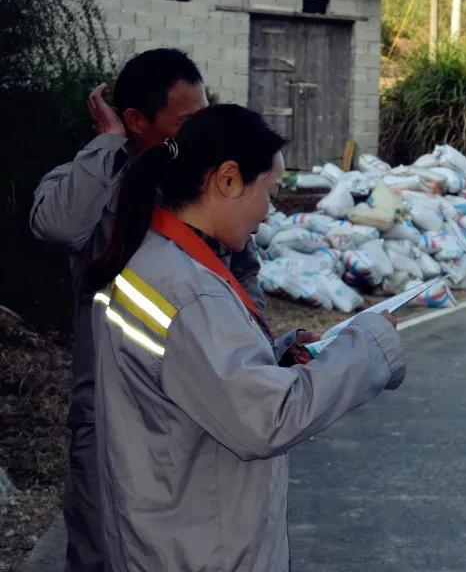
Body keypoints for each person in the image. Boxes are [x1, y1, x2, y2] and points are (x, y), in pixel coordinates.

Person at [83, 103, 406, 571]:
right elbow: (268, 418)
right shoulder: (192, 292)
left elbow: (184, 374)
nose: (268, 211)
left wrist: (280, 357)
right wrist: (369, 343)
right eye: (268, 191)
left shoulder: (151, 261)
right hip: (200, 548)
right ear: (228, 180)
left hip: (161, 527)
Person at [29, 48, 266, 572]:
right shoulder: (88, 183)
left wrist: (263, 348)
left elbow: (244, 272)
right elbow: (57, 227)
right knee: (103, 551)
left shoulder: (202, 187)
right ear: (136, 120)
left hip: (201, 404)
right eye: (186, 120)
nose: (200, 129)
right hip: (111, 414)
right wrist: (111, 142)